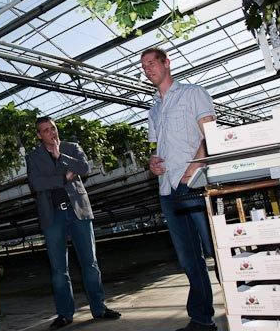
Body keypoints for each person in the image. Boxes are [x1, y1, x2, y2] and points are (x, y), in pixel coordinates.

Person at [142, 47, 217, 331]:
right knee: (188, 259)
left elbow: (210, 134)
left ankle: (245, 306)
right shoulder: (153, 109)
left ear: (167, 63)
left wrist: (193, 168)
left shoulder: (192, 93)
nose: (147, 69)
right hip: (168, 189)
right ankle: (202, 319)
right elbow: (156, 148)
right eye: (144, 66)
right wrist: (153, 163)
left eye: (152, 63)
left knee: (216, 249)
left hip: (195, 183)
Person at [26, 117, 121, 330]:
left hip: (78, 210)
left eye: (53, 128)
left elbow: (84, 167)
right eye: (45, 130)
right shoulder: (33, 156)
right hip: (52, 216)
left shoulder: (72, 147)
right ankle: (64, 314)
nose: (51, 132)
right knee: (59, 269)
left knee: (90, 263)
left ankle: (99, 308)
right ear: (39, 135)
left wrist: (61, 156)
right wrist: (63, 178)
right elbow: (36, 183)